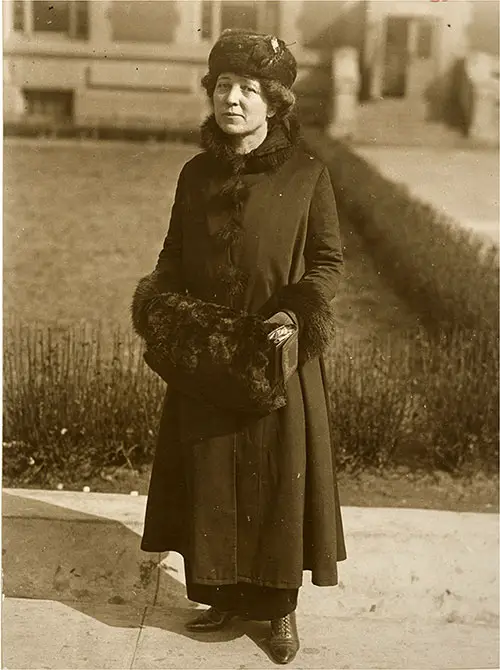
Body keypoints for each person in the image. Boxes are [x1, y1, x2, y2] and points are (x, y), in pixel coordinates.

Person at [132, 29, 346, 665]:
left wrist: (293, 316)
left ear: (275, 102)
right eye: (223, 86)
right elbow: (171, 256)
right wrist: (163, 311)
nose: (232, 99)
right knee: (211, 475)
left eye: (249, 89)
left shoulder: (309, 176)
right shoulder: (195, 174)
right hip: (206, 353)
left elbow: (328, 264)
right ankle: (222, 594)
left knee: (276, 481)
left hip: (276, 353)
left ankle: (278, 611)